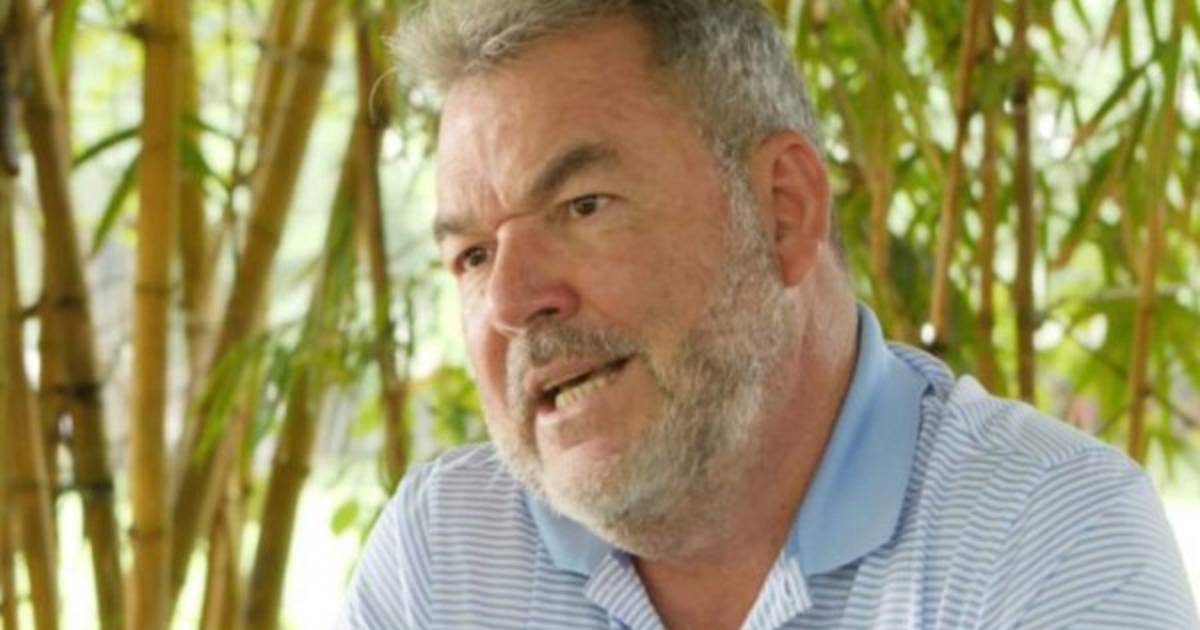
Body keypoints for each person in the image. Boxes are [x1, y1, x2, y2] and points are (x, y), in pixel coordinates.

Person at [338, 1, 1198, 628]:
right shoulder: (446, 555)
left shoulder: (1045, 536)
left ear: (782, 210)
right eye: (473, 256)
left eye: (584, 205)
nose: (512, 302)